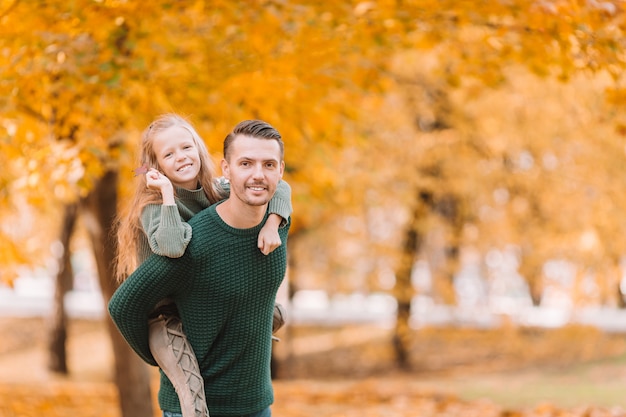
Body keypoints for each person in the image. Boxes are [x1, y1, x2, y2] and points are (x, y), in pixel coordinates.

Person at [109, 119, 290, 417]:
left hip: (255, 401)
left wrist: (273, 222)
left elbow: (280, 187)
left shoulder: (216, 190)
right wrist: (156, 355)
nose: (180, 157)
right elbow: (173, 246)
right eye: (169, 155)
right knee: (190, 394)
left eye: (186, 147)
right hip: (165, 316)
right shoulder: (156, 206)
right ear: (155, 167)